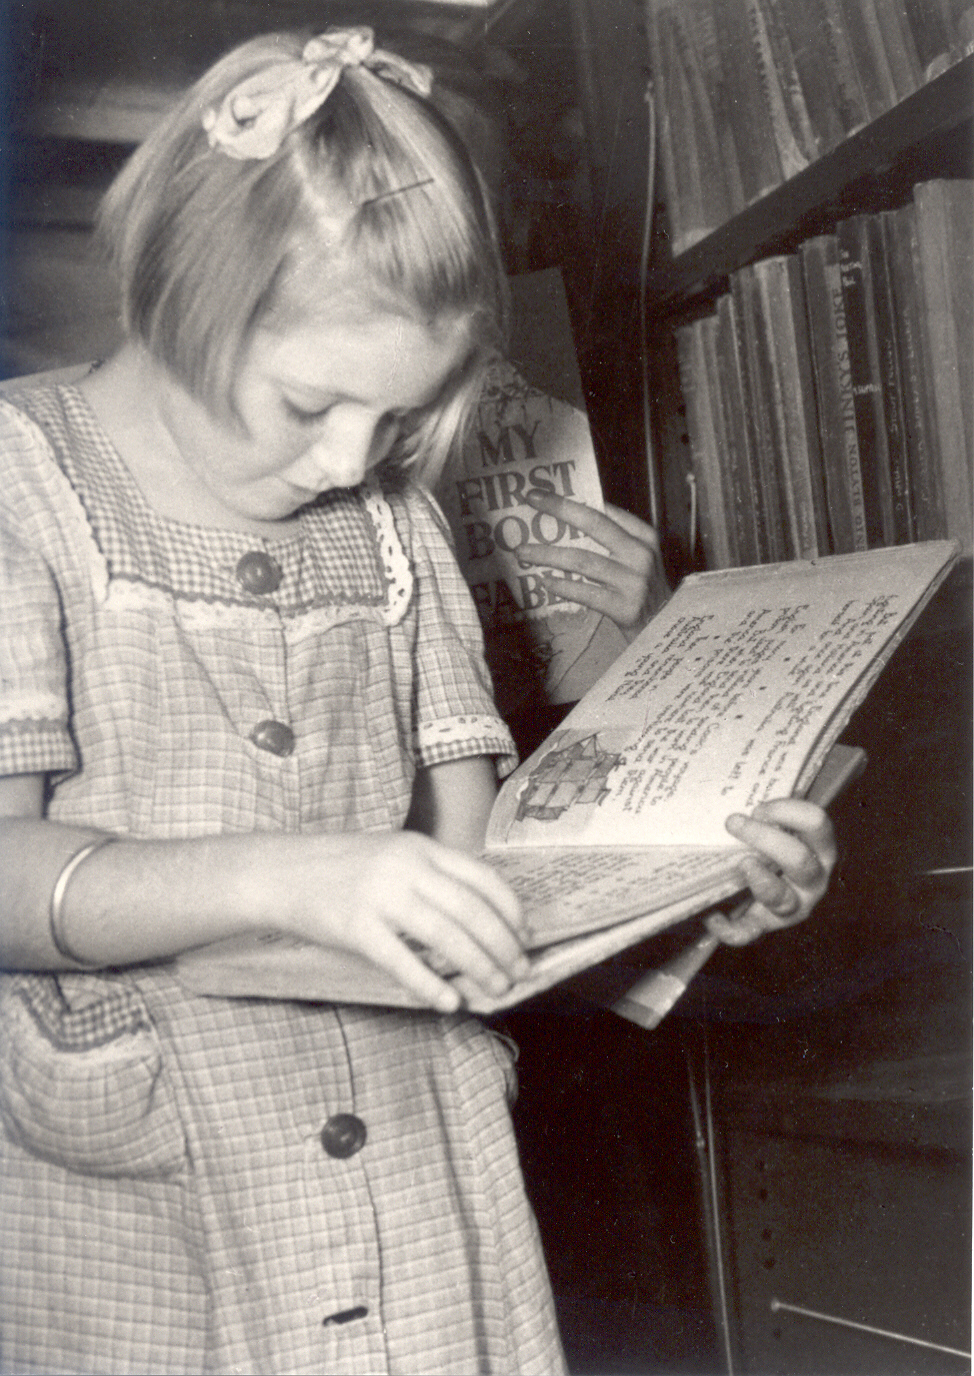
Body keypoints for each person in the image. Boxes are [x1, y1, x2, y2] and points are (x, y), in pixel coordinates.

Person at [0, 26, 836, 1376]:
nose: (351, 460)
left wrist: (685, 889)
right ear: (171, 293)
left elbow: (479, 879)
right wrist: (295, 873)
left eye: (397, 422)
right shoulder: (19, 487)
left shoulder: (391, 530)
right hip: (149, 1234)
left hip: (424, 1208)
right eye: (311, 403)